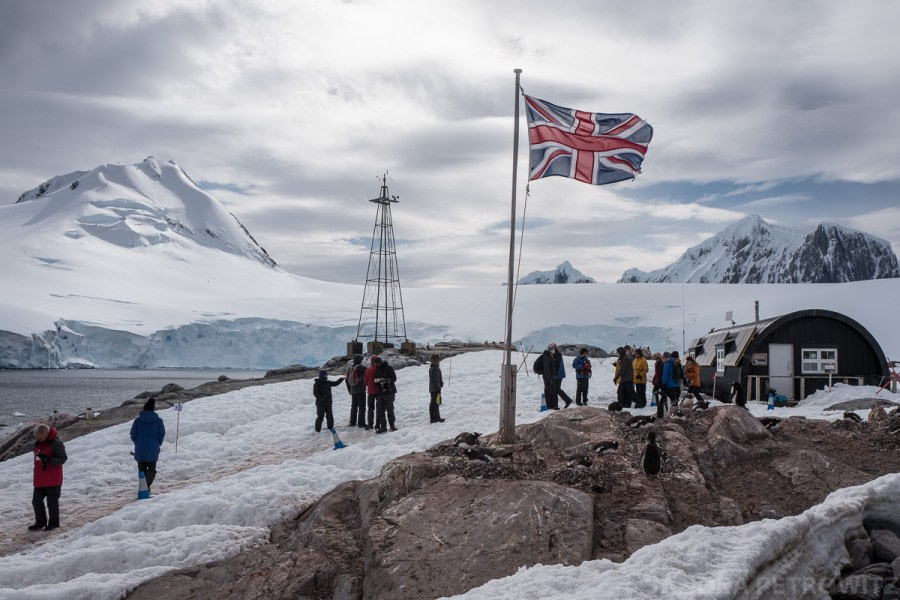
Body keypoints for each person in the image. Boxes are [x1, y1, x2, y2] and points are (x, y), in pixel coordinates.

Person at [29, 423, 67, 532]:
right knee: (36, 501)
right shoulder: (37, 444)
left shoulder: (56, 444)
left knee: (52, 502)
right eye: (37, 436)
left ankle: (53, 523)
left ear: (45, 433)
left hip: (53, 478)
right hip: (40, 478)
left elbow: (63, 458)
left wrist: (49, 460)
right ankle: (40, 523)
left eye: (40, 436)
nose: (38, 438)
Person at [130, 398, 166, 494]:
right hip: (152, 449)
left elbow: (133, 434)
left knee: (141, 470)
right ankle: (146, 487)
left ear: (144, 409)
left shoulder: (137, 421)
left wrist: (137, 442)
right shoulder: (158, 421)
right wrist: (157, 443)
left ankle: (144, 487)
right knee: (151, 469)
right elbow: (161, 433)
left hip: (140, 449)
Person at [373, 356, 398, 433]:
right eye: (375, 364)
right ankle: (383, 427)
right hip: (380, 393)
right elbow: (377, 382)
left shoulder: (389, 368)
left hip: (389, 392)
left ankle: (392, 426)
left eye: (377, 364)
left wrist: (384, 380)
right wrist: (376, 381)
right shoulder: (377, 370)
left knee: (390, 410)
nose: (376, 365)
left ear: (380, 363)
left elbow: (394, 379)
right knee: (380, 411)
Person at [346, 355, 367, 429]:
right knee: (362, 406)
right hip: (360, 390)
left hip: (353, 390)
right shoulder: (361, 368)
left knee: (354, 406)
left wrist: (350, 390)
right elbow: (369, 372)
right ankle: (361, 423)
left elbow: (347, 380)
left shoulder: (350, 368)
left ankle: (352, 422)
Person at [537, 343, 560, 410]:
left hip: (550, 376)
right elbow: (546, 368)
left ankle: (552, 405)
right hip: (548, 377)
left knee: (552, 390)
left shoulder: (549, 356)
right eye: (554, 349)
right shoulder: (547, 357)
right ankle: (549, 405)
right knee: (548, 390)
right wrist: (549, 377)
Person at [428, 353, 445, 423]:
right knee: (436, 404)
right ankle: (437, 418)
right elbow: (436, 380)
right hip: (435, 389)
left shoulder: (432, 368)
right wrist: (439, 387)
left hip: (432, 388)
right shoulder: (435, 369)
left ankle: (433, 418)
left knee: (433, 403)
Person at [364, 356, 379, 430]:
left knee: (370, 408)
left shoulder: (367, 370)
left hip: (370, 391)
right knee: (379, 408)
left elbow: (366, 382)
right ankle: (378, 424)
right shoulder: (378, 369)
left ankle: (370, 424)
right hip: (379, 392)